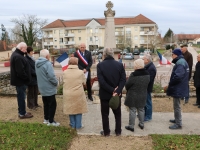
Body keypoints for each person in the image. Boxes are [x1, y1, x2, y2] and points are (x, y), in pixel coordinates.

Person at [97, 48, 126, 136]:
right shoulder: (119, 65)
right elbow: (123, 79)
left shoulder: (100, 65)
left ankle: (106, 132)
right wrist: (117, 90)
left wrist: (112, 90)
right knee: (118, 114)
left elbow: (101, 81)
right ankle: (118, 131)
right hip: (116, 95)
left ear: (104, 55)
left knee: (105, 114)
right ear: (113, 54)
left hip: (105, 94)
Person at [35, 49, 60, 126]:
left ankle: (46, 119)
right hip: (49, 87)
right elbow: (51, 77)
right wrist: (56, 83)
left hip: (42, 87)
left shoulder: (36, 63)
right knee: (52, 104)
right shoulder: (47, 64)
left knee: (45, 103)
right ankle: (51, 121)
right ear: (47, 56)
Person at [124, 59, 150, 132]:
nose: (134, 66)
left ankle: (131, 126)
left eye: (135, 65)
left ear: (137, 66)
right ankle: (141, 124)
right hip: (143, 94)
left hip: (133, 94)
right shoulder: (147, 74)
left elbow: (127, 85)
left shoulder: (133, 75)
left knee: (132, 110)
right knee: (141, 109)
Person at [63, 57, 88, 129]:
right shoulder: (80, 72)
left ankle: (72, 124)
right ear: (77, 63)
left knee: (70, 108)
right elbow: (84, 82)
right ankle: (78, 125)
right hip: (78, 93)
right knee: (78, 109)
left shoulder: (65, 72)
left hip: (68, 93)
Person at [167, 49, 189, 129]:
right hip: (180, 87)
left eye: (172, 54)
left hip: (178, 87)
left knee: (177, 106)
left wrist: (171, 83)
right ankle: (177, 119)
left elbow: (178, 76)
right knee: (176, 105)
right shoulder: (182, 61)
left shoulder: (180, 63)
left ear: (176, 55)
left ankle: (178, 123)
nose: (171, 56)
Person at [10, 42, 33, 119]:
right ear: (21, 48)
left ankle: (22, 112)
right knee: (21, 97)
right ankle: (22, 114)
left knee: (21, 97)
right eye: (25, 49)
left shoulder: (17, 55)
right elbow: (20, 72)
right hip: (20, 82)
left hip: (20, 81)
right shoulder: (18, 57)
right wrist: (26, 78)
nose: (26, 50)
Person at [143, 54, 157, 122]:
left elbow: (149, 79)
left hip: (147, 87)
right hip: (145, 87)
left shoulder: (151, 68)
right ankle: (145, 114)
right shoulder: (148, 66)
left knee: (148, 102)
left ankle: (148, 116)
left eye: (144, 59)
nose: (143, 60)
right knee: (145, 101)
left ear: (147, 60)